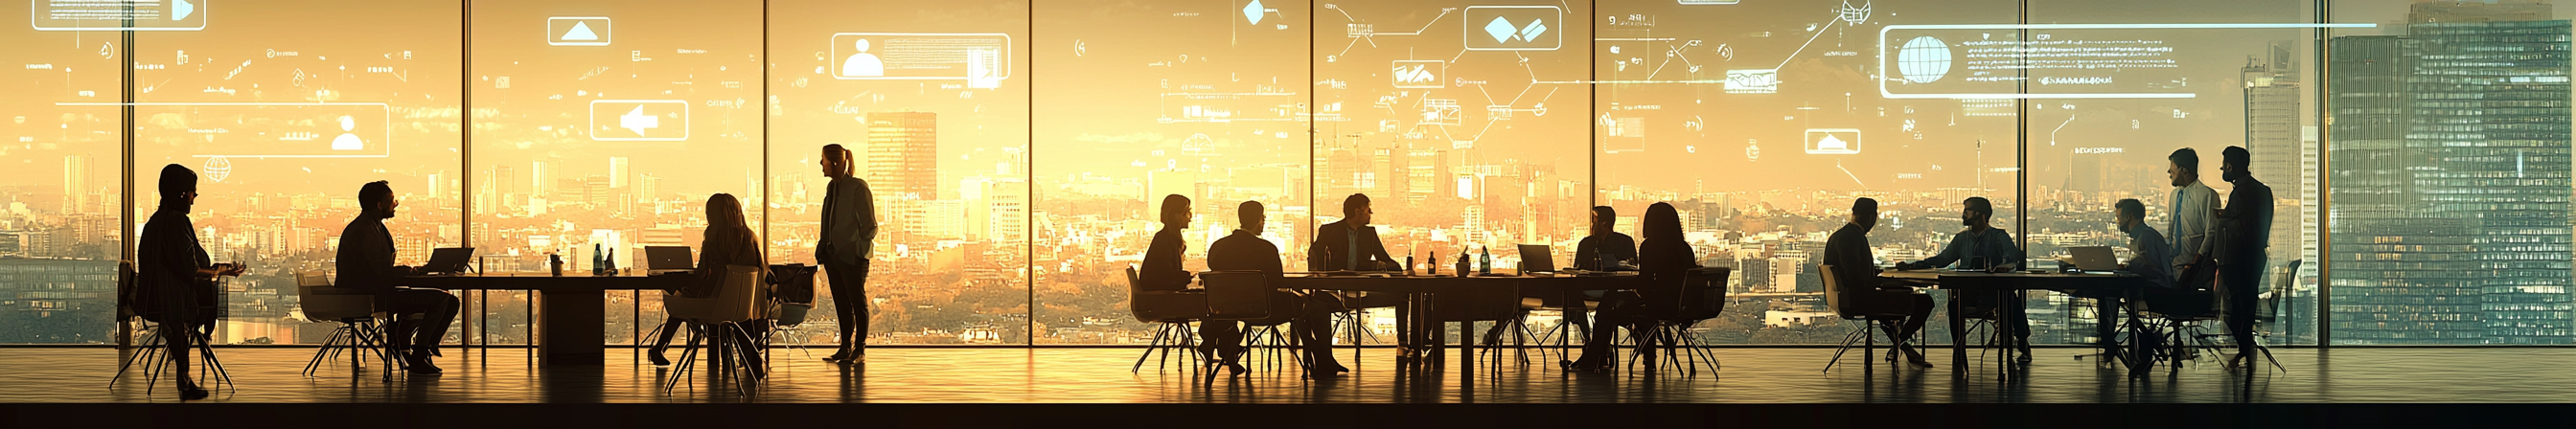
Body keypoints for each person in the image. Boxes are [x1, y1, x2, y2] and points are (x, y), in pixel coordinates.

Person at [1206, 200, 1351, 375]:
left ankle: (1319, 354)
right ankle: (1322, 357)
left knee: (1301, 306)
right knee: (1315, 307)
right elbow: (1278, 282)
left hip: (1229, 310)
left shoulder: (1218, 247)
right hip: (1265, 309)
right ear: (1260, 219)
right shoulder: (1266, 248)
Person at [336, 180, 462, 375]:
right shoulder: (365, 231)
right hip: (367, 297)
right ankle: (417, 355)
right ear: (380, 205)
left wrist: (405, 272)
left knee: (451, 301)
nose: (396, 204)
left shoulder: (372, 227)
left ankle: (411, 341)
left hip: (377, 291)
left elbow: (378, 271)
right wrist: (404, 271)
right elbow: (377, 273)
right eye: (392, 200)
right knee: (441, 299)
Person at [137, 164, 241, 400]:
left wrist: (218, 270)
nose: (193, 199)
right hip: (172, 302)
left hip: (154, 298)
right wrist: (219, 272)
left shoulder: (156, 221)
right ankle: (185, 379)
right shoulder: (176, 222)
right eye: (193, 193)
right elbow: (187, 268)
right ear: (183, 193)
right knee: (205, 309)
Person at [1894, 196, 2032, 362]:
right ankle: (1959, 347)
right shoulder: (1961, 239)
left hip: (1994, 295)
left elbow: (2012, 254)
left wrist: (2005, 264)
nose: (1963, 214)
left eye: (1967, 210)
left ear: (1980, 214)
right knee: (1956, 304)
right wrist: (1912, 266)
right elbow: (1941, 260)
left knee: (2010, 300)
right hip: (1970, 295)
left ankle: (2022, 341)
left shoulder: (1998, 236)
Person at [1573, 202, 1693, 372]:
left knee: (1611, 304)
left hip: (1658, 306)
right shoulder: (1684, 249)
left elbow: (1644, 286)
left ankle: (1596, 355)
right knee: (1618, 304)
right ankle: (1642, 352)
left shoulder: (1650, 246)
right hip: (1682, 307)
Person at [647, 193, 764, 366]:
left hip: (714, 303)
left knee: (680, 303)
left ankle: (659, 348)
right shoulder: (749, 237)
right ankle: (751, 358)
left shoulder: (714, 238)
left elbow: (702, 273)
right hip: (742, 307)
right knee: (699, 304)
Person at [1823, 197, 1934, 368]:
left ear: (1853, 213)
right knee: (1925, 302)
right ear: (1871, 218)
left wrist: (1876, 276)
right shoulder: (1854, 238)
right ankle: (1901, 343)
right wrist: (1886, 281)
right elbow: (1857, 278)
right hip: (1859, 300)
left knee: (1889, 307)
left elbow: (1852, 271)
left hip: (1845, 298)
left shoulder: (1840, 236)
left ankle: (1902, 346)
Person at [2079, 199, 2173, 350]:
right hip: (2149, 285)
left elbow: (2154, 267)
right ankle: (2108, 341)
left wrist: (2130, 267)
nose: (2117, 221)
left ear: (2129, 217)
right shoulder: (2143, 235)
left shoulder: (2146, 237)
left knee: (2107, 292)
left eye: (2118, 217)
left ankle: (2108, 341)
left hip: (2154, 288)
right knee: (2108, 291)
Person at [2215, 147, 2274, 370]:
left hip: (2237, 258)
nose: (2222, 168)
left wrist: (2222, 219)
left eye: (2223, 165)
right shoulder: (2263, 190)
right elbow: (2260, 225)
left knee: (2235, 309)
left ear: (2230, 166)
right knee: (2247, 305)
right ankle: (2245, 353)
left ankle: (2245, 352)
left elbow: (2239, 228)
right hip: (2256, 256)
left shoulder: (2239, 193)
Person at [818, 144, 879, 363]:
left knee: (856, 302)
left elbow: (870, 225)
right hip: (834, 256)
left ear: (833, 162)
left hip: (852, 256)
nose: (820, 164)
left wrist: (856, 248)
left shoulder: (857, 188)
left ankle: (859, 349)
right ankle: (846, 347)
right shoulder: (832, 188)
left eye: (823, 159)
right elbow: (828, 220)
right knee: (842, 304)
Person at [2167, 147, 2221, 289]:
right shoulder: (2174, 196)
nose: (2169, 172)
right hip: (2174, 264)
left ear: (2184, 170)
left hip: (2196, 267)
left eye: (2172, 169)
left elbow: (2211, 232)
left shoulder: (2207, 195)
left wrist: (2195, 262)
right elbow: (2171, 228)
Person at [1309, 193, 1398, 272]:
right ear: (1357, 212)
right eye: (1368, 211)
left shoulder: (1369, 234)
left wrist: (1395, 269)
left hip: (1359, 285)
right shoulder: (1329, 231)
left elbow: (1385, 259)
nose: (1370, 214)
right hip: (1332, 285)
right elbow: (1315, 257)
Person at [1572, 206, 1637, 271]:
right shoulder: (1585, 244)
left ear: (1604, 223)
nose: (1592, 226)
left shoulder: (1625, 243)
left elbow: (1632, 268)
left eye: (1594, 222)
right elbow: (1577, 269)